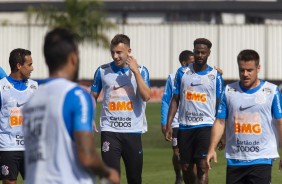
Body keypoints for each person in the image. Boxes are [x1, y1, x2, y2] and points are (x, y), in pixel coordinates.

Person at [22, 28, 119, 184]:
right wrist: (108, 173)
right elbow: (87, 157)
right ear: (73, 58)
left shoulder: (31, 101)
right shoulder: (76, 96)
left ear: (47, 61)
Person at [206, 49, 282, 184]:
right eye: (242, 70)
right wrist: (211, 148)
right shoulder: (229, 91)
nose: (245, 74)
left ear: (258, 68)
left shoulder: (272, 91)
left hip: (262, 158)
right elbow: (220, 122)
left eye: (249, 70)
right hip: (235, 159)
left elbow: (280, 122)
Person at [91, 34, 151, 184]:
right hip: (110, 131)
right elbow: (92, 96)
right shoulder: (102, 71)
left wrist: (135, 72)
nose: (115, 56)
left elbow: (146, 96)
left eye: (119, 52)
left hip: (133, 131)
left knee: (134, 179)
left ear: (128, 51)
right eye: (113, 52)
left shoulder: (142, 71)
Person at [165, 38, 224, 184]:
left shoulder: (215, 76)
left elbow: (220, 105)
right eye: (197, 52)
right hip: (185, 126)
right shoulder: (182, 73)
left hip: (206, 126)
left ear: (209, 53)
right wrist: (168, 124)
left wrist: (223, 132)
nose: (199, 55)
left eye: (203, 52)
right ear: (193, 52)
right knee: (185, 167)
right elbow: (175, 99)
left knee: (203, 165)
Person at [0, 48, 38, 184]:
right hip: (8, 147)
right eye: (29, 64)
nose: (32, 68)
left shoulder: (35, 87)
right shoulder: (1, 87)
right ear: (18, 66)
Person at [161, 50, 195, 184]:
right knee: (177, 153)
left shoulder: (200, 76)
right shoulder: (173, 77)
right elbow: (166, 100)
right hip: (176, 122)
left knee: (194, 157)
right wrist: (165, 123)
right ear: (184, 63)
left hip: (194, 122)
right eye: (192, 62)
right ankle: (178, 175)